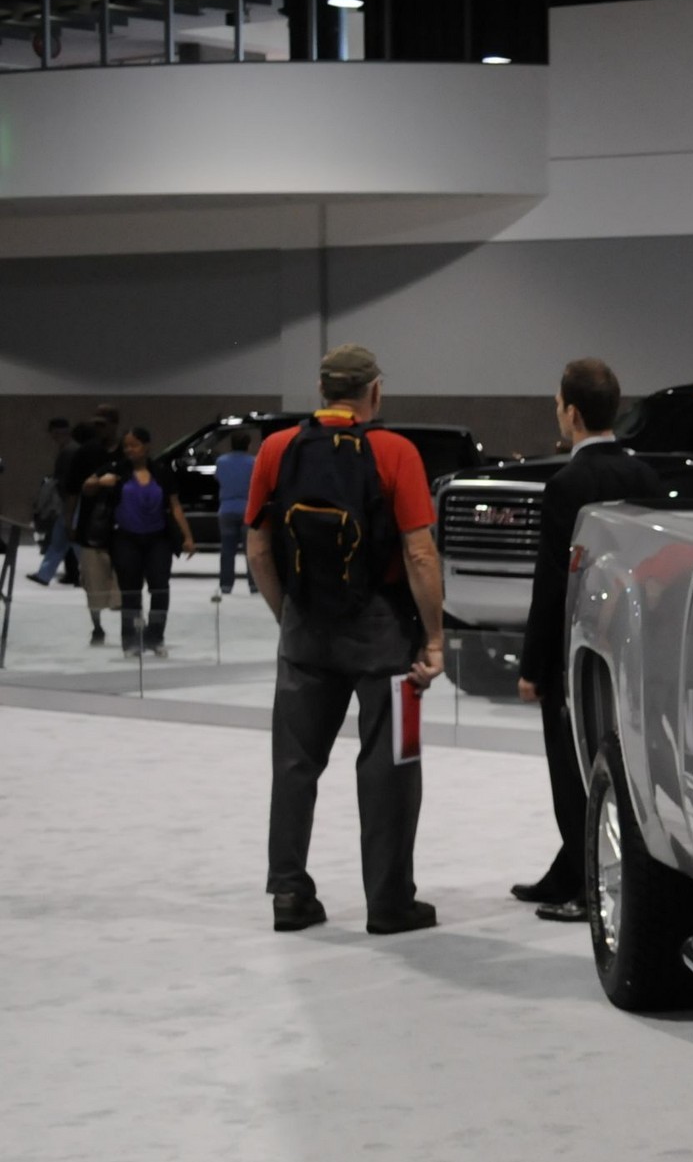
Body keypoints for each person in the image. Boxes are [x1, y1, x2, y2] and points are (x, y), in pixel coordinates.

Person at [244, 344, 447, 935]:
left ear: (320, 390)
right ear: (375, 392)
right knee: (394, 763)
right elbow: (418, 552)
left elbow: (258, 549)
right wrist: (433, 639)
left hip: (306, 633)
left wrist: (289, 615)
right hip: (387, 635)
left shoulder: (278, 450)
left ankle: (289, 895)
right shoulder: (396, 452)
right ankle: (389, 901)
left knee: (294, 764)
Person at [513, 358, 662, 922]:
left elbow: (551, 585)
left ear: (572, 412)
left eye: (557, 404)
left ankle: (585, 885)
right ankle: (568, 868)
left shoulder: (566, 485)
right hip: (626, 653)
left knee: (568, 768)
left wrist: (532, 666)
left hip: (573, 654)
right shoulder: (644, 477)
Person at [101, 427, 196, 656]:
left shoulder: (162, 472)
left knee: (160, 588)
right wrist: (99, 482)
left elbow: (175, 506)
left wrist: (187, 536)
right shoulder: (118, 471)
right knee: (131, 590)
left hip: (158, 538)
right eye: (126, 446)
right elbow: (87, 485)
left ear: (146, 446)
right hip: (126, 537)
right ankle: (130, 639)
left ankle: (155, 636)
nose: (129, 450)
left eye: (134, 445)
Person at [62, 423, 123, 645]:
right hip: (92, 528)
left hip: (123, 529)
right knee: (92, 582)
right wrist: (69, 521)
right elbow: (74, 490)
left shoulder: (125, 455)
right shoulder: (86, 454)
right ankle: (97, 627)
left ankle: (128, 625)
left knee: (126, 583)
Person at [28, 417, 72, 586]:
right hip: (67, 502)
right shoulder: (69, 449)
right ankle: (44, 574)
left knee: (71, 543)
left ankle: (44, 574)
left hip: (69, 502)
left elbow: (65, 480)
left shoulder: (67, 451)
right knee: (59, 541)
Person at [213, 428, 257, 594]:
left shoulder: (221, 461)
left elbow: (217, 478)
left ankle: (226, 585)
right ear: (248, 444)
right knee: (250, 550)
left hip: (226, 509)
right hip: (248, 509)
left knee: (227, 551)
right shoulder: (253, 462)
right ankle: (253, 584)